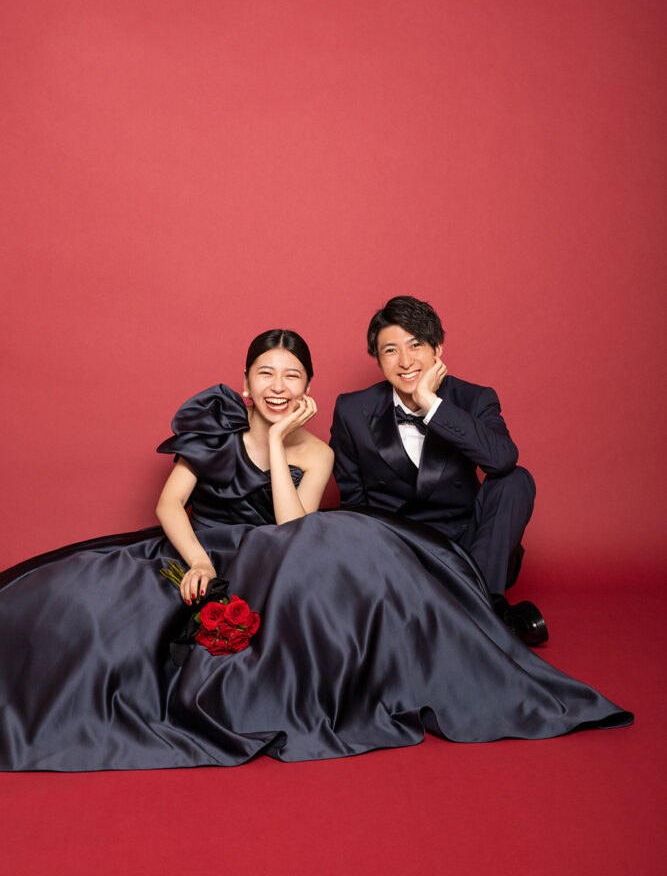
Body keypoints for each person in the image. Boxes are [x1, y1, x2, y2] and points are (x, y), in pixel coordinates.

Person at [0, 329, 631, 771]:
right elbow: (170, 507)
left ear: (308, 388)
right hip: (195, 548)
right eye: (266, 374)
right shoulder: (213, 432)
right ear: (245, 382)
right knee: (89, 612)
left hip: (269, 557)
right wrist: (197, 561)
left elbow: (291, 528)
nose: (277, 386)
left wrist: (280, 442)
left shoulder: (317, 451)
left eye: (292, 376)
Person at [330, 295, 546, 644]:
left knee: (516, 479)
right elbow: (354, 503)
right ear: (379, 360)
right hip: (402, 550)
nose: (405, 361)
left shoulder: (474, 398)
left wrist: (431, 404)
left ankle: (474, 603)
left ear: (437, 349)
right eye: (390, 350)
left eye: (415, 345)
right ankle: (486, 620)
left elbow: (502, 459)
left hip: (471, 549)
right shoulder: (352, 409)